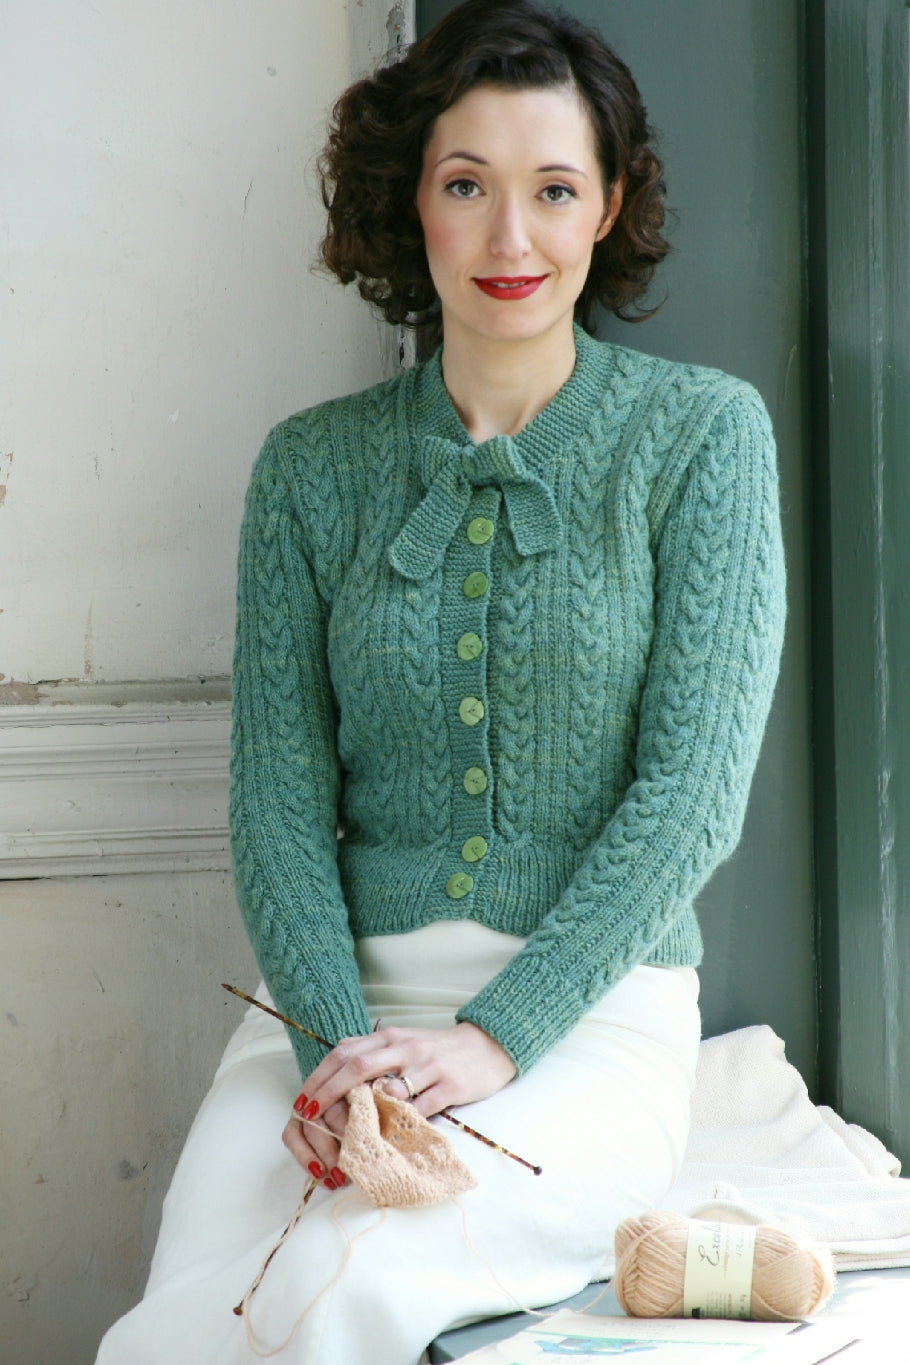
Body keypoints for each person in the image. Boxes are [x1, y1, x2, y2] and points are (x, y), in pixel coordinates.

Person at [96, 1, 785, 1361]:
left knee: (357, 1283)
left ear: (609, 208)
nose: (508, 237)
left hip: (585, 1023)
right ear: (409, 200)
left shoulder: (703, 436)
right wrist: (333, 1056)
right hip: (335, 1017)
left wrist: (493, 1036)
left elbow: (693, 794)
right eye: (466, 185)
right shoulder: (308, 468)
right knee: (187, 1309)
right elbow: (278, 807)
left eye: (552, 190)